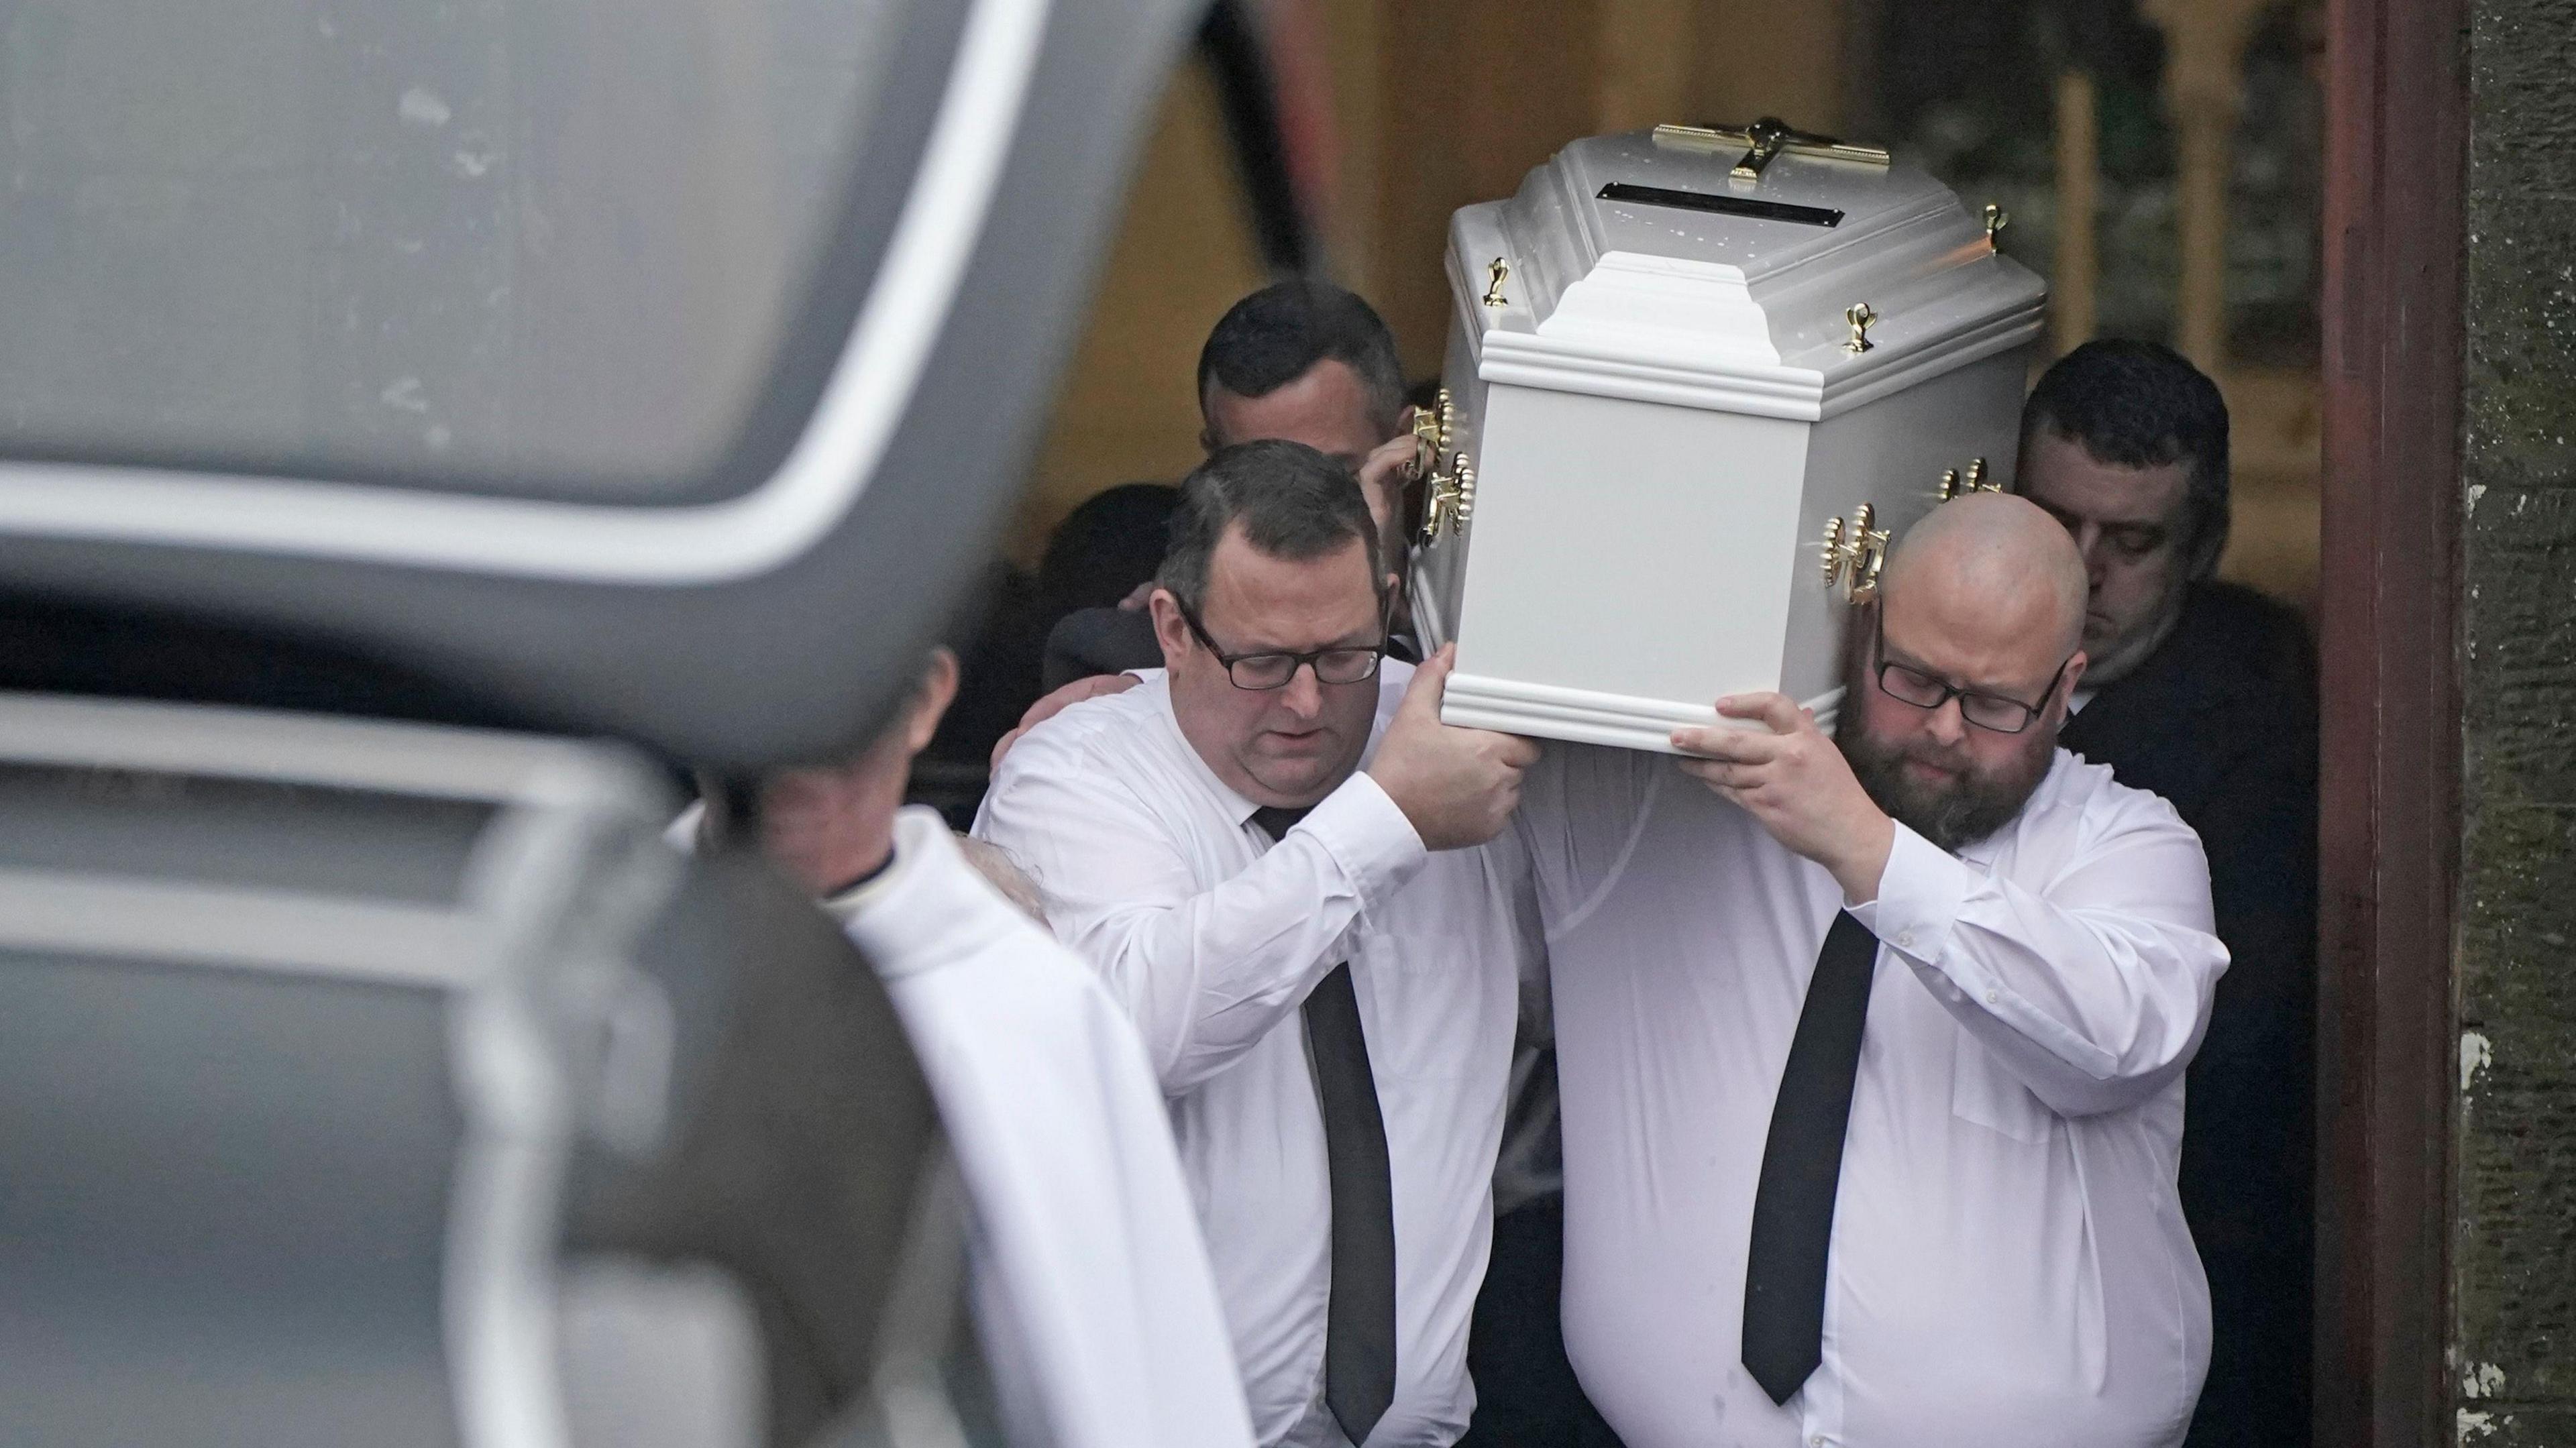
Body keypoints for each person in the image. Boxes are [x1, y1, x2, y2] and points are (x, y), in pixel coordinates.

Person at [1518, 493, 2227, 1447]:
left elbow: (2113, 1040)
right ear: (1861, 631)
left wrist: (1869, 850)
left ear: (2066, 687)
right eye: (1914, 678)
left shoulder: (2129, 846)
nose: (1942, 729)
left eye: (1993, 703)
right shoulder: (1660, 814)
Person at [975, 440, 1542, 1448]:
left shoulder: (1448, 738)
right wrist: (1386, 820)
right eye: (1263, 660)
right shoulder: (1074, 774)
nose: (1308, 704)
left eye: (1342, 654)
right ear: (1171, 629)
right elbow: (1142, 1022)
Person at [686, 649, 1256, 1448]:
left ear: (926, 700)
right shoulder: (584, 960)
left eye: (839, 691)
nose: (799, 742)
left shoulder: (1035, 1010)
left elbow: (1123, 1385)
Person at [2015, 339, 2318, 1448]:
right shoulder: (1926, 687)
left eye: (2131, 541)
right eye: (2056, 524)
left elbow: (2229, 1068)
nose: (2085, 570)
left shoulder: (2258, 750)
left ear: (2201, 550)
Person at [1039, 280, 1425, 691]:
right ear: (1212, 462)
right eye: (1258, 480)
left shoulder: (1479, 610)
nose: (1295, 517)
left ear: (1403, 451)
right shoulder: (1134, 659)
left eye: (1331, 476)